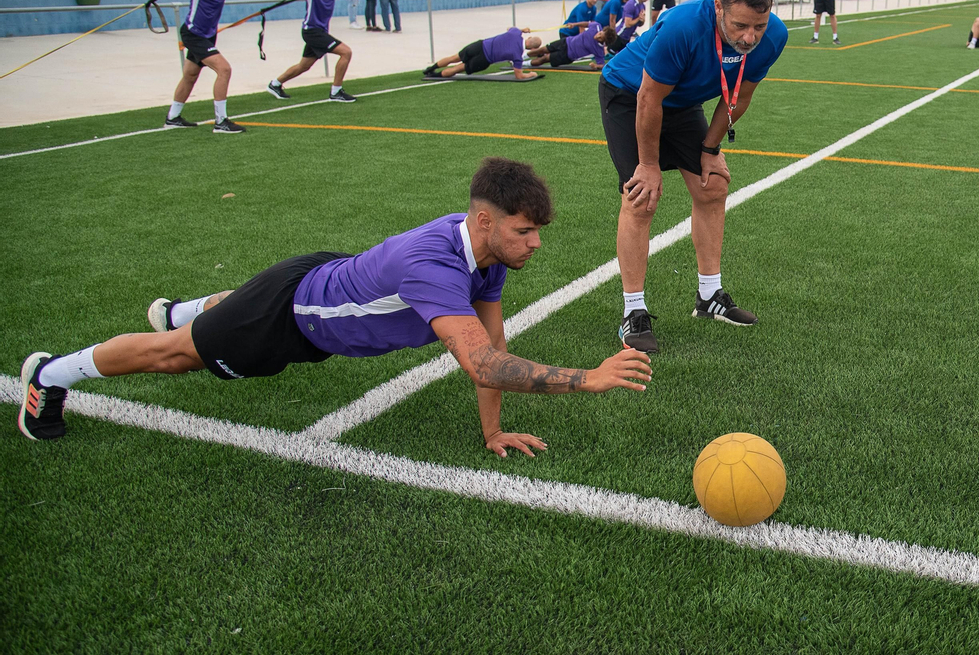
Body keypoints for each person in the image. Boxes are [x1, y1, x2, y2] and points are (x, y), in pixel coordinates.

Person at [17, 157, 654, 456]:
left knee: (218, 317)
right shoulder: (432, 266)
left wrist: (491, 432)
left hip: (313, 280)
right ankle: (50, 375)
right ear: (485, 222)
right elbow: (485, 366)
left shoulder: (484, 259)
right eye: (524, 232)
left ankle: (191, 308)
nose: (536, 245)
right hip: (290, 318)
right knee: (172, 359)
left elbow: (491, 352)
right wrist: (588, 379)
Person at [597, 0, 788, 354]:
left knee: (713, 186)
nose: (750, 37)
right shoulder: (683, 26)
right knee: (641, 197)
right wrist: (648, 166)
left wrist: (710, 151)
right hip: (629, 94)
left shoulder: (775, 36)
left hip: (682, 104)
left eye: (759, 25)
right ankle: (633, 311)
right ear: (719, 8)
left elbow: (739, 95)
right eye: (740, 26)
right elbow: (649, 99)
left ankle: (709, 297)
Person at [164, 0, 280, 136]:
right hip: (193, 32)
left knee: (191, 75)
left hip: (208, 34)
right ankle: (221, 121)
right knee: (224, 69)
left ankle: (172, 118)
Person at [266, 0, 387, 104]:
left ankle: (275, 84)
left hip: (320, 30)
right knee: (346, 52)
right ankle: (336, 91)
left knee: (304, 66)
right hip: (312, 30)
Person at [426, 27, 544, 80]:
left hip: (479, 46)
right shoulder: (517, 56)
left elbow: (509, 28)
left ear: (530, 37)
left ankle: (431, 69)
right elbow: (519, 76)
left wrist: (522, 29)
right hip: (484, 59)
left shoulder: (515, 33)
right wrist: (531, 74)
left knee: (454, 58)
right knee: (458, 68)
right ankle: (433, 76)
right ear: (532, 49)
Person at [527, 22, 616, 71]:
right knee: (543, 49)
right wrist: (574, 24)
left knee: (545, 59)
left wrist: (595, 66)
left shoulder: (599, 50)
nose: (598, 36)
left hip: (567, 56)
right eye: (600, 34)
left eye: (601, 38)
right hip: (565, 42)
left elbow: (602, 64)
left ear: (604, 41)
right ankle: (524, 57)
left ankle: (524, 64)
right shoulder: (596, 26)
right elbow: (586, 24)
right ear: (602, 30)